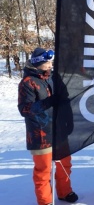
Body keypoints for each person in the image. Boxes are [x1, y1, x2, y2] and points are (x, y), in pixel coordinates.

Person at [18, 47, 78, 205]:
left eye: (51, 62)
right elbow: (25, 109)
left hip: (59, 131)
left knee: (65, 163)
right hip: (40, 134)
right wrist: (49, 102)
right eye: (48, 62)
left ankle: (65, 192)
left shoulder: (53, 77)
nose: (51, 65)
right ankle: (45, 202)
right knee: (43, 171)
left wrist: (68, 121)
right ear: (39, 63)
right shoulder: (27, 83)